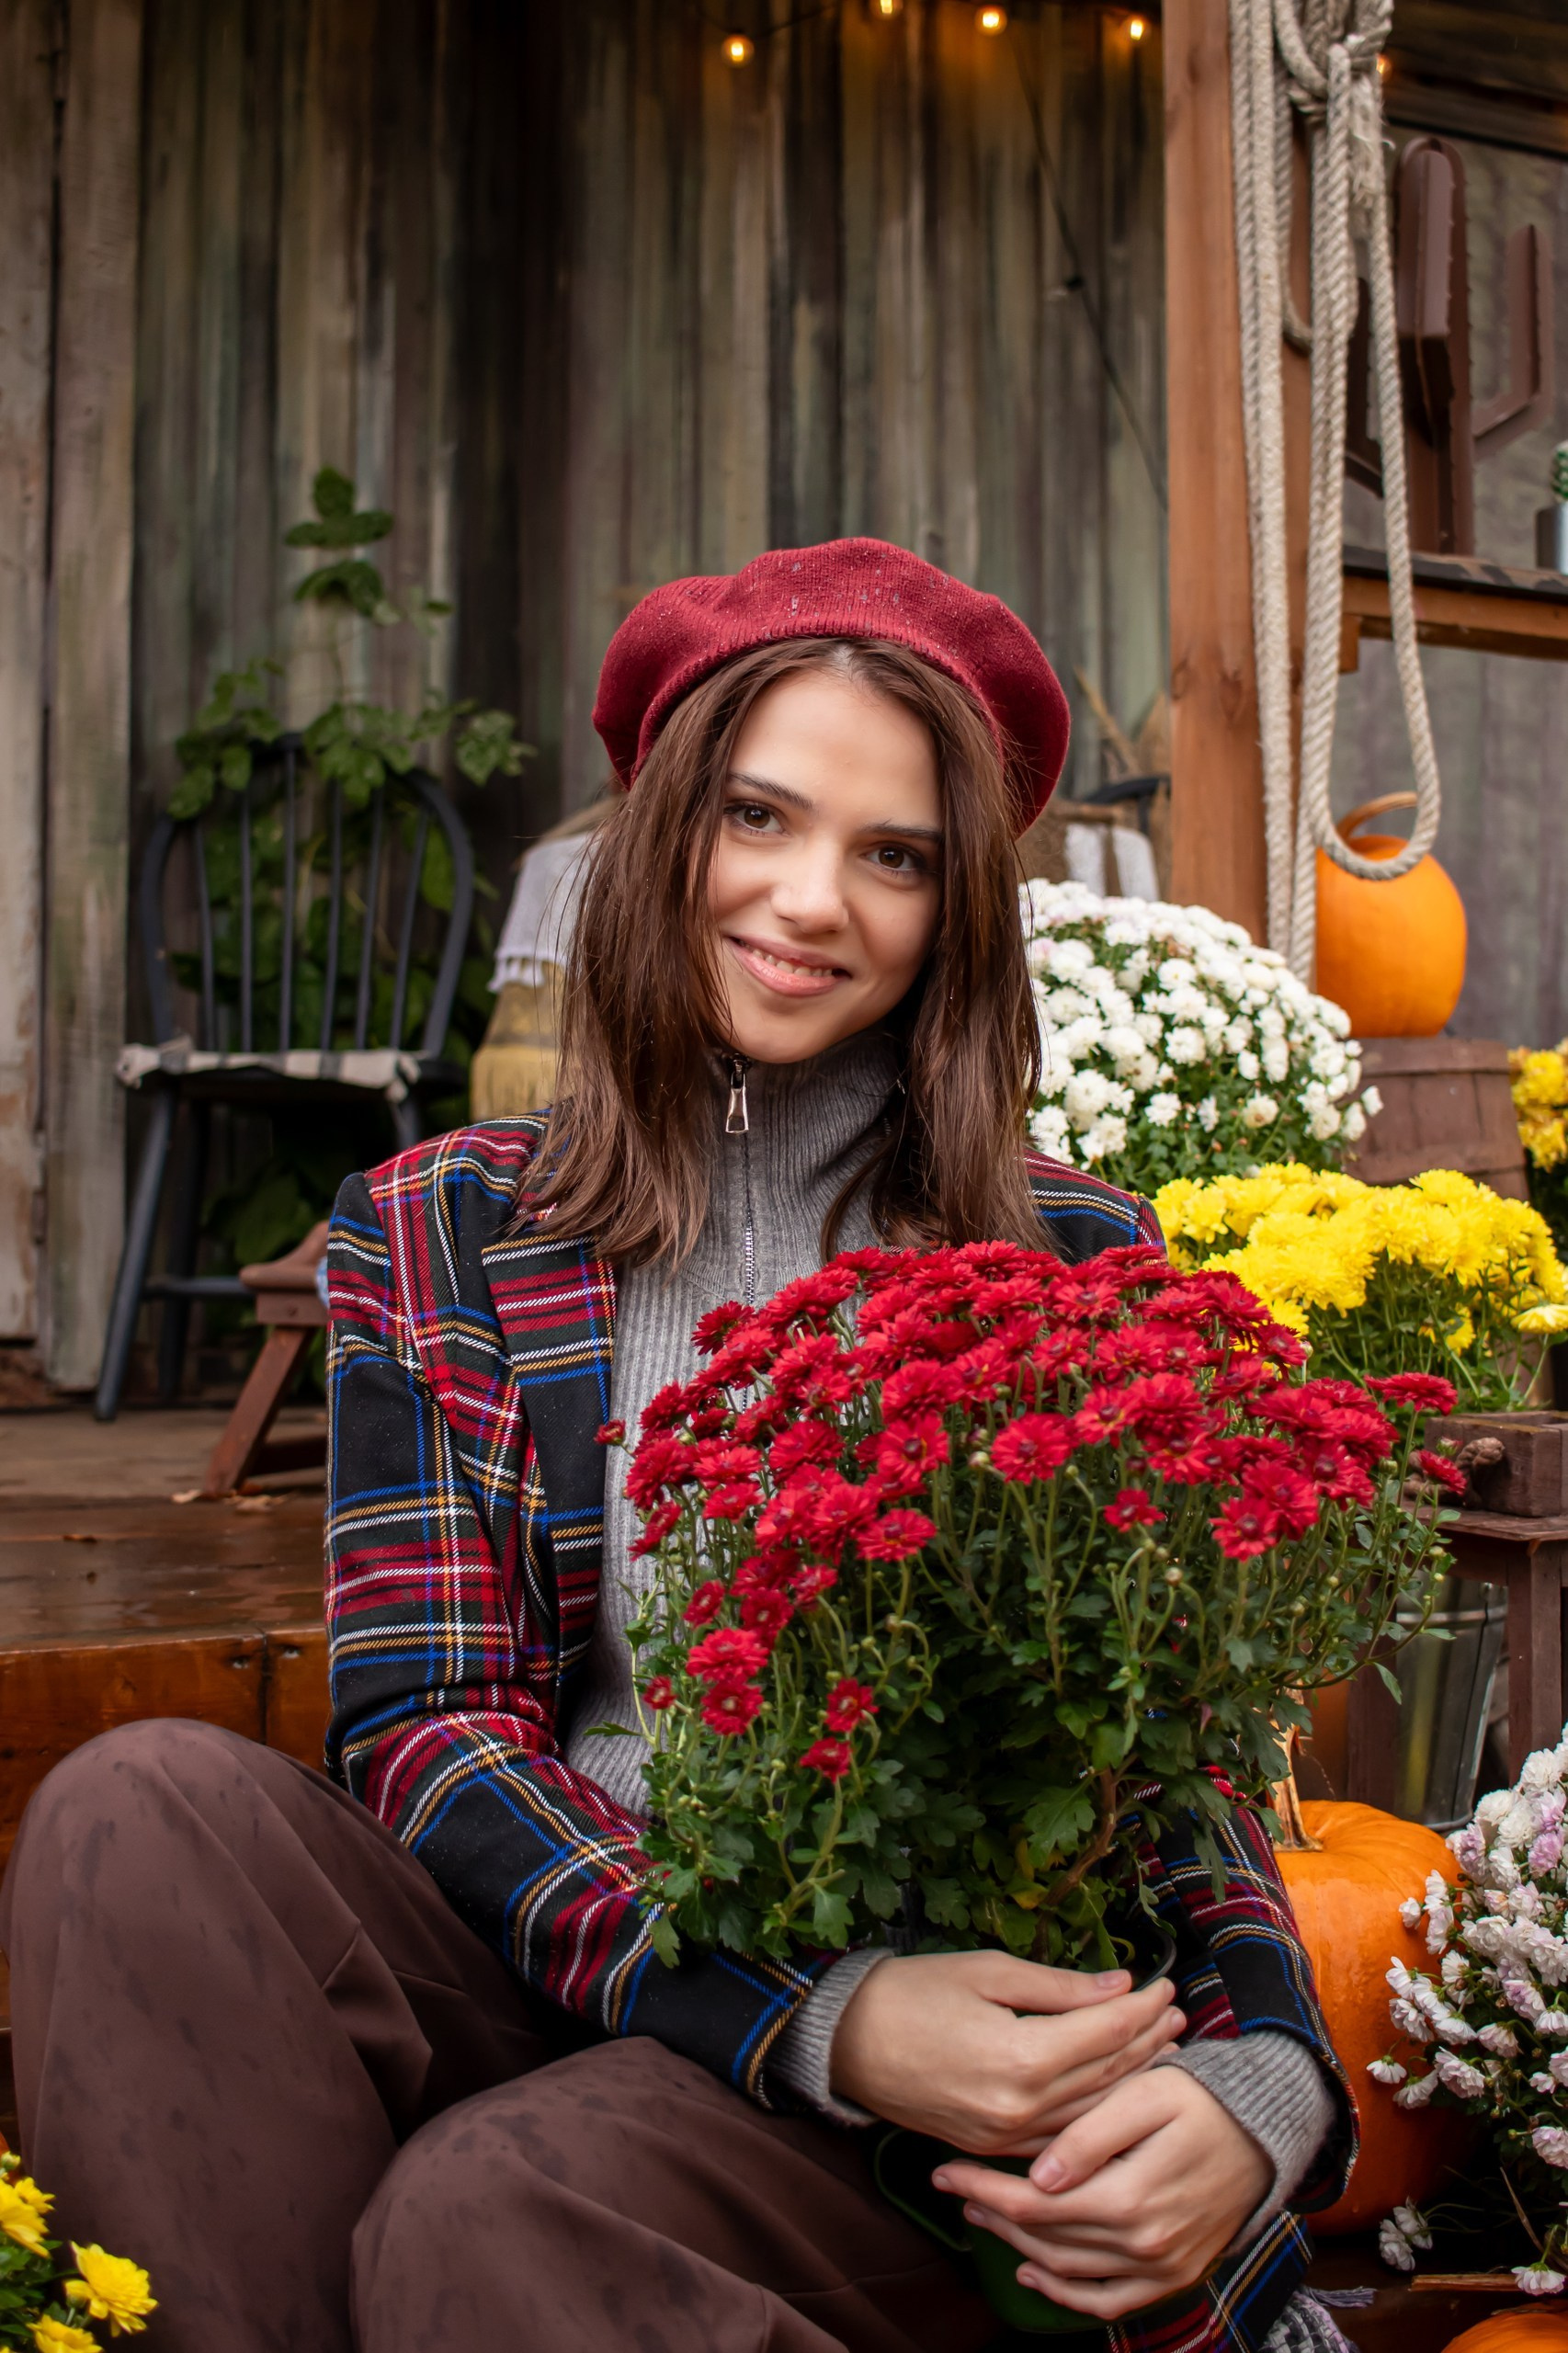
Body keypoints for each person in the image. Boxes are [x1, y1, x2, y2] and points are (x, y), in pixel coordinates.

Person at [2, 540, 1354, 2353]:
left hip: (928, 2106)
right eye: (757, 816)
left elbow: (1177, 1759)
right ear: (657, 826)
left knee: (496, 2201)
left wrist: (1265, 2087)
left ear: (960, 905)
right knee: (134, 1808)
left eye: (895, 855)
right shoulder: (444, 1228)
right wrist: (818, 2001)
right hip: (583, 1963)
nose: (810, 900)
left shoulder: (1064, 1258)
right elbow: (430, 1725)